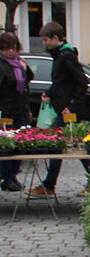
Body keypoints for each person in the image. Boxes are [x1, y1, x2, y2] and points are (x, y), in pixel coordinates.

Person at [28, 21, 90, 198]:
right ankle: (51, 184)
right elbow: (62, 82)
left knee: (72, 146)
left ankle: (51, 185)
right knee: (68, 146)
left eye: (46, 40)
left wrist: (71, 106)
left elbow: (82, 82)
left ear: (56, 38)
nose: (44, 44)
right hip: (62, 108)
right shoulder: (60, 55)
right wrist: (49, 92)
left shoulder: (66, 56)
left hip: (68, 111)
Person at [0, 32, 33, 192]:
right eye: (7, 49)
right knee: (6, 145)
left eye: (13, 48)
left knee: (21, 143)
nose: (11, 52)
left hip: (21, 109)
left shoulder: (19, 63)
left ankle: (12, 175)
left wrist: (25, 69)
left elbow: (28, 82)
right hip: (5, 111)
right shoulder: (1, 65)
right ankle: (7, 178)